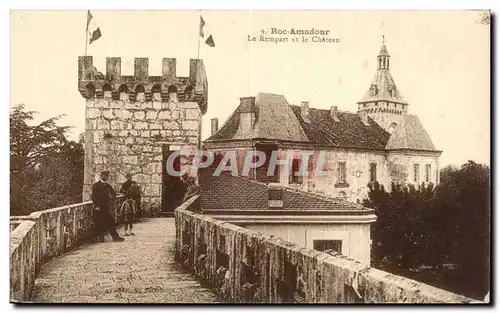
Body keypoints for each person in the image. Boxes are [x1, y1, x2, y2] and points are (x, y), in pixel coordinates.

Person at [92, 169, 125, 242]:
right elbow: (94, 197)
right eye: (104, 176)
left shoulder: (108, 186)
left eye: (107, 176)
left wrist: (111, 199)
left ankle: (115, 237)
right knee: (99, 223)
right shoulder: (96, 185)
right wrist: (96, 206)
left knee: (111, 222)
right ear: (101, 176)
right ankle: (101, 238)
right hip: (99, 208)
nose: (106, 177)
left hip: (106, 207)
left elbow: (114, 194)